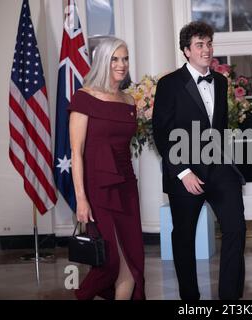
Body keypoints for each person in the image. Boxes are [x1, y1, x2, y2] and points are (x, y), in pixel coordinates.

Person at [153, 21, 246, 300]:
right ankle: (190, 301)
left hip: (219, 168)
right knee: (183, 238)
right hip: (185, 172)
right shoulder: (168, 84)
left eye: (209, 44)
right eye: (199, 45)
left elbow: (220, 128)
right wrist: (183, 172)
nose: (206, 50)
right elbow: (161, 132)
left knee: (236, 229)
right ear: (186, 51)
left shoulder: (220, 81)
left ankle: (230, 298)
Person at [69, 37, 145, 300]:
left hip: (126, 184)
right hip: (97, 187)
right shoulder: (84, 98)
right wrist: (81, 199)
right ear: (102, 61)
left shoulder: (128, 100)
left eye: (125, 58)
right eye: (115, 58)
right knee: (110, 260)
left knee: (132, 261)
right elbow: (76, 153)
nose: (121, 64)